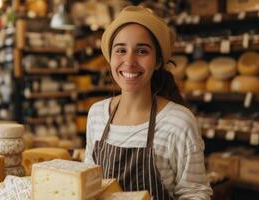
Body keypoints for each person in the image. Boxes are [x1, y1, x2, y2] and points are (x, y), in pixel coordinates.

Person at [84, 6, 213, 200]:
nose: (129, 61)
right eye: (121, 50)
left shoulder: (178, 122)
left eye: (142, 51)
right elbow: (87, 183)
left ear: (158, 61)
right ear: (110, 57)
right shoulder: (96, 114)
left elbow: (195, 194)